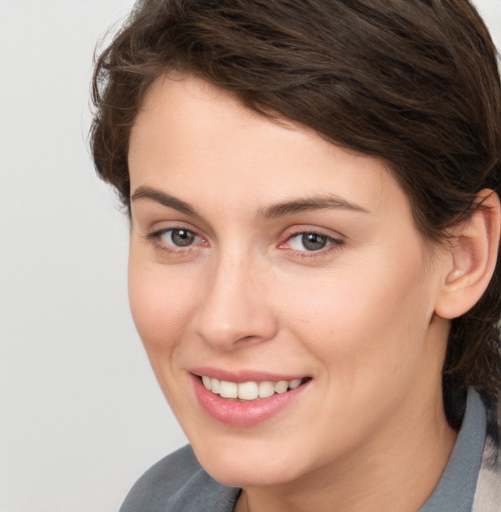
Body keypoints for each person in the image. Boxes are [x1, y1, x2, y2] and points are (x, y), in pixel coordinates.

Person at [90, 1, 501, 510]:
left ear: (464, 256)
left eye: (311, 240)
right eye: (178, 235)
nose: (223, 322)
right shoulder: (160, 499)